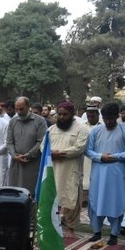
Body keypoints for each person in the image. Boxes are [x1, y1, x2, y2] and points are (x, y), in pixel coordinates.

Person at [85, 102, 125, 246]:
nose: (108, 122)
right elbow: (88, 150)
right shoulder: (96, 131)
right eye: (105, 119)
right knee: (96, 201)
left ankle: (114, 233)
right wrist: (101, 157)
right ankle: (97, 232)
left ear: (117, 116)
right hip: (99, 172)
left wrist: (113, 157)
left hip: (117, 174)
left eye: (111, 119)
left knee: (115, 201)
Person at [43, 101, 89, 237]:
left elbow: (79, 148)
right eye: (60, 114)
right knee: (52, 197)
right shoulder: (51, 130)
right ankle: (52, 224)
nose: (62, 117)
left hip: (71, 169)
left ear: (72, 114)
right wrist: (51, 153)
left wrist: (61, 153)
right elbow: (42, 146)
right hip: (53, 169)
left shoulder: (81, 129)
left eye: (65, 114)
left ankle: (70, 227)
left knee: (71, 198)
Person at [6, 96, 47, 195]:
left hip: (32, 163)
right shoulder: (13, 121)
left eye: (21, 109)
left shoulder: (40, 121)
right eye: (17, 109)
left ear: (29, 107)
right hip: (16, 163)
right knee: (15, 192)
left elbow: (41, 142)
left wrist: (28, 155)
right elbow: (9, 142)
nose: (19, 112)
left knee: (30, 192)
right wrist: (14, 156)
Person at [81, 106, 102, 206]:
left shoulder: (102, 126)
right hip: (84, 158)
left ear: (98, 115)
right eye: (88, 116)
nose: (90, 118)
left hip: (98, 156)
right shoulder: (81, 126)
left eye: (93, 116)